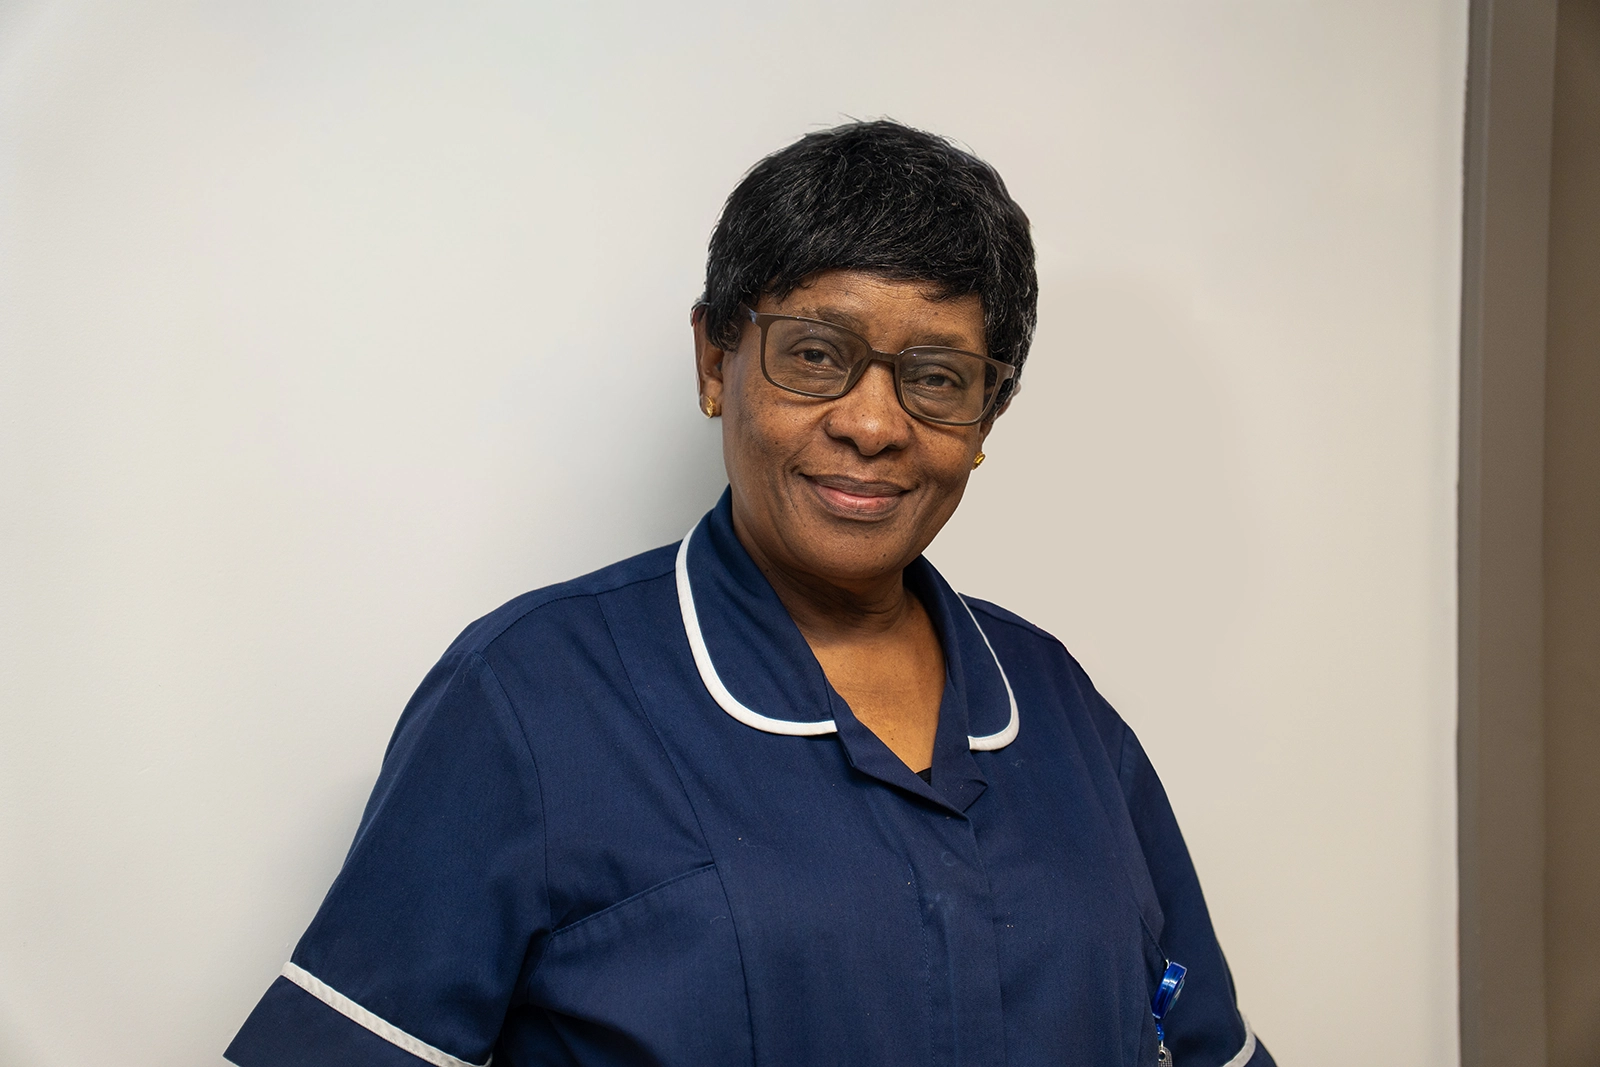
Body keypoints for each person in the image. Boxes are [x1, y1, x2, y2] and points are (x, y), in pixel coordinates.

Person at [225, 120, 1273, 1067]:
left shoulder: (1061, 711)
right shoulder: (531, 702)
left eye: (937, 376)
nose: (874, 423)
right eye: (816, 354)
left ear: (984, 418)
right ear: (715, 360)